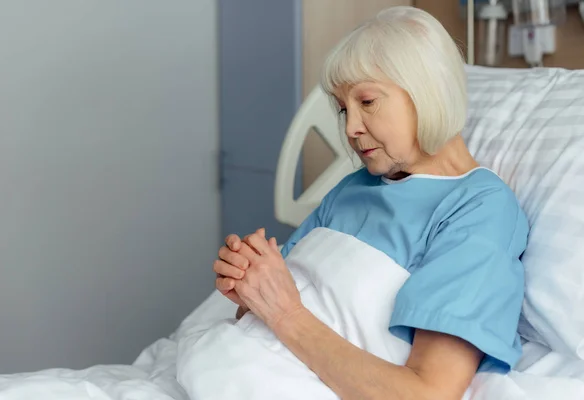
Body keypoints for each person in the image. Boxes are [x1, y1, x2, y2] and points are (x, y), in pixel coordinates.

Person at [213, 6, 529, 400]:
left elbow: (427, 393)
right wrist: (252, 288)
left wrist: (284, 313)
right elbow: (278, 307)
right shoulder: (351, 188)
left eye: (367, 102)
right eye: (343, 108)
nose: (349, 129)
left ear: (427, 90)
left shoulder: (478, 209)